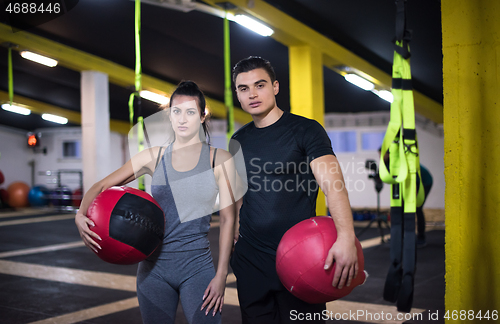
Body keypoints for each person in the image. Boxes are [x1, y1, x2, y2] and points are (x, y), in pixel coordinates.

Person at [75, 81, 239, 324]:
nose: (183, 119)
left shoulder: (219, 159)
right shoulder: (153, 157)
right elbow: (100, 186)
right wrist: (80, 214)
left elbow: (228, 219)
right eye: (176, 112)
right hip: (153, 269)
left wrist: (222, 275)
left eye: (190, 112)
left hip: (197, 267)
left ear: (203, 116)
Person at [229, 56, 359, 323]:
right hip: (251, 259)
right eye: (244, 89)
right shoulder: (238, 139)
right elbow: (241, 192)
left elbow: (334, 186)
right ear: (238, 95)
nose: (252, 94)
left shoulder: (306, 130)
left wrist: (346, 238)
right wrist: (235, 231)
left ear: (275, 87)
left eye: (260, 85)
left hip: (300, 257)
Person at [378, 147, 433, 248]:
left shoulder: (399, 162)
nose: (380, 156)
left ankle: (421, 237)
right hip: (407, 184)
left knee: (417, 208)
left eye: (382, 154)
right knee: (401, 208)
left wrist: (414, 198)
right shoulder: (386, 163)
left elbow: (415, 180)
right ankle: (399, 236)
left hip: (423, 182)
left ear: (389, 154)